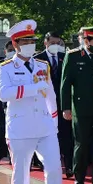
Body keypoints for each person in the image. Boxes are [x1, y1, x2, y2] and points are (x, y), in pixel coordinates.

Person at [0, 20, 73, 184]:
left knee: (55, 169)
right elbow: (3, 94)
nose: (30, 43)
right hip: (20, 128)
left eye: (32, 40)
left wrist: (54, 122)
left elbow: (51, 96)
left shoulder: (42, 65)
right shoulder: (6, 68)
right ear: (16, 43)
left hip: (45, 127)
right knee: (21, 173)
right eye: (26, 40)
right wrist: (31, 88)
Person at [61, 26, 93, 184]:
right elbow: (65, 84)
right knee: (81, 144)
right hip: (81, 108)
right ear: (86, 40)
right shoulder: (74, 56)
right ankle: (80, 177)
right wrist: (66, 107)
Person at [37, 33, 72, 176]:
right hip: (45, 105)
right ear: (45, 43)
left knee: (67, 136)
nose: (55, 45)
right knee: (48, 136)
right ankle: (48, 164)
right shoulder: (37, 60)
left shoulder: (66, 58)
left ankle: (69, 165)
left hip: (63, 103)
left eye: (58, 42)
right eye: (52, 43)